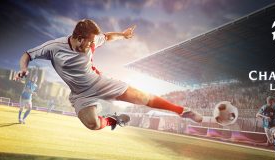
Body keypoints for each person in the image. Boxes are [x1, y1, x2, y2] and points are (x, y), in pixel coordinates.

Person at [15, 19, 203, 131]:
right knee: (93, 125)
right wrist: (23, 68)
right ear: (78, 38)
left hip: (99, 82)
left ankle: (182, 111)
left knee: (141, 96)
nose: (91, 46)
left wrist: (123, 34)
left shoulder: (92, 39)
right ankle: (115, 120)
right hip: (80, 93)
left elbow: (107, 36)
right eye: (88, 43)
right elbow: (27, 54)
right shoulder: (54, 48)